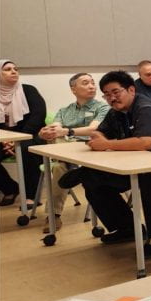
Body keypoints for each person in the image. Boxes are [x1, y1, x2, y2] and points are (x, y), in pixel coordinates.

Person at [65, 71, 151, 263]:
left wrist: (107, 144)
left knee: (149, 180)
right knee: (93, 181)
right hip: (132, 164)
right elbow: (98, 134)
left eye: (116, 92)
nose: (111, 98)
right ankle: (127, 228)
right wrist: (103, 140)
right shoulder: (116, 112)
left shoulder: (145, 108)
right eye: (107, 94)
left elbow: (145, 142)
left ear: (131, 90)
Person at [35, 73, 109, 231]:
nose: (91, 86)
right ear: (73, 89)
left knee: (59, 164)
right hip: (65, 152)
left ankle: (53, 216)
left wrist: (67, 131)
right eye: (85, 83)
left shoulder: (102, 107)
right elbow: (55, 129)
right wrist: (45, 132)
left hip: (90, 150)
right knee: (58, 167)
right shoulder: (64, 110)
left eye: (92, 82)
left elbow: (93, 129)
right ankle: (53, 216)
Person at [0, 59, 45, 208]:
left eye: (15, 69)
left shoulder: (28, 90)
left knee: (27, 149)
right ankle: (10, 188)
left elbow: (38, 115)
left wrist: (17, 139)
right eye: (7, 69)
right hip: (4, 138)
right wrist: (6, 139)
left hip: (32, 135)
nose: (13, 71)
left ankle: (31, 196)